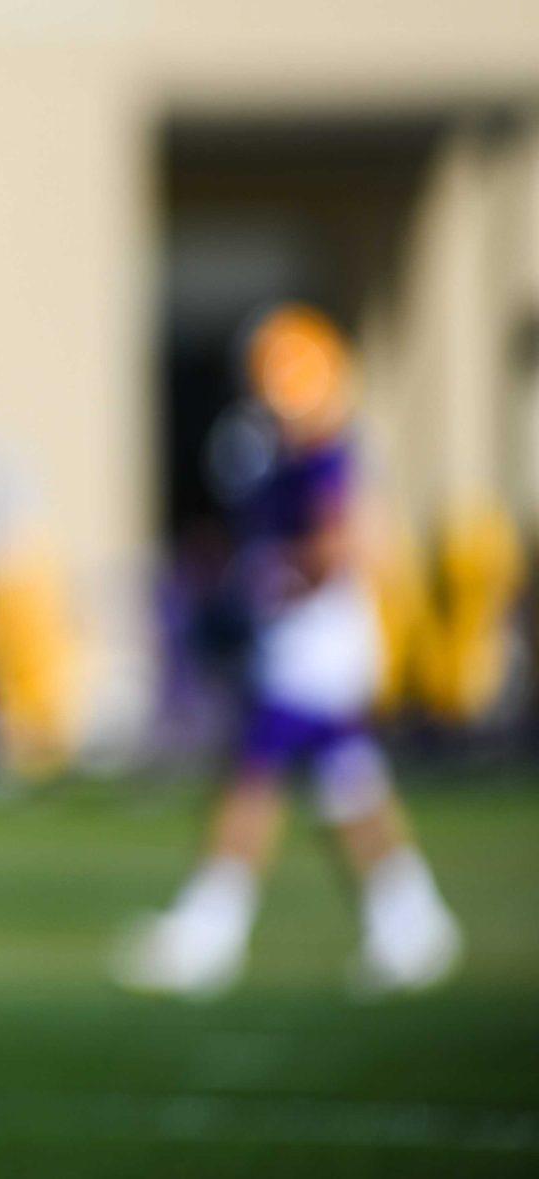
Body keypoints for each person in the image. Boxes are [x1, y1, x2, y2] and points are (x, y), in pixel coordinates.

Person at [116, 304, 462, 998]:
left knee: (253, 778)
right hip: (302, 640)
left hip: (318, 642)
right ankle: (411, 919)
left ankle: (209, 931)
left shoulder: (328, 453)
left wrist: (274, 570)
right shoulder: (279, 449)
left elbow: (342, 548)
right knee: (349, 789)